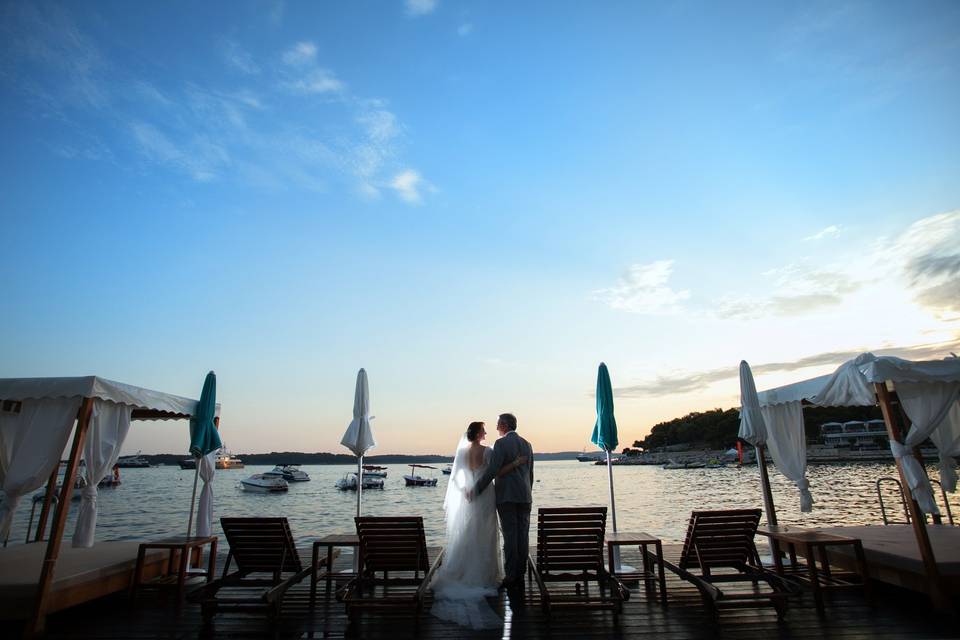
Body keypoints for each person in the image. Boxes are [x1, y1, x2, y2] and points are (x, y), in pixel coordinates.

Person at [430, 421, 527, 629]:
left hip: (469, 494)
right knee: (486, 532)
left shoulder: (463, 452)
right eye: (483, 429)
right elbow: (496, 471)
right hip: (485, 495)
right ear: (478, 433)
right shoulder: (488, 451)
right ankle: (485, 574)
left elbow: (455, 478)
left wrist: (466, 489)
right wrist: (517, 462)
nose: (486, 431)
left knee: (469, 531)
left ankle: (465, 571)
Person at [472, 413, 534, 594]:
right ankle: (520, 573)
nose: (497, 427)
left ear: (505, 425)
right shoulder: (527, 444)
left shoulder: (501, 444)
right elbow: (530, 473)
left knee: (510, 536)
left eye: (498, 424)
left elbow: (493, 470)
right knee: (523, 535)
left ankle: (510, 575)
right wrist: (528, 491)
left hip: (506, 496)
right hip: (525, 496)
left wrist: (476, 490)